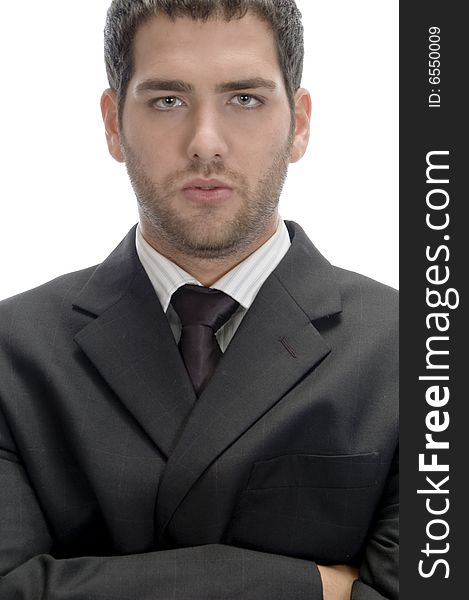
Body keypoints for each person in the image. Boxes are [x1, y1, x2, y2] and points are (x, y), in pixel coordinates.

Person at [0, 1, 398, 599]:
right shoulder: (13, 351)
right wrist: (310, 588)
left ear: (301, 123)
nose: (205, 142)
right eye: (167, 100)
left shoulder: (419, 349)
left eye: (244, 98)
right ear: (112, 122)